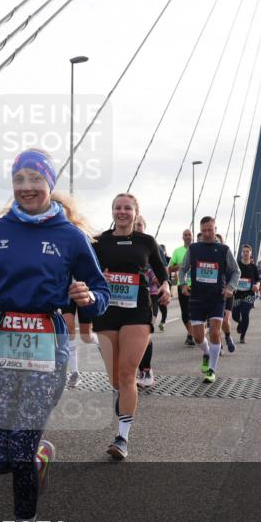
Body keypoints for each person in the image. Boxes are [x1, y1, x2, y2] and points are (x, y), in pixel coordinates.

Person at [0, 149, 108, 522]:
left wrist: (86, 299)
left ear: (49, 184)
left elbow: (100, 293)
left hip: (49, 351)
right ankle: (40, 455)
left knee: (21, 449)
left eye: (35, 178)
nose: (26, 186)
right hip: (4, 349)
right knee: (1, 459)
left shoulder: (70, 237)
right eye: (19, 178)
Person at [90, 194, 170, 459]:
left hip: (138, 310)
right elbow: (87, 270)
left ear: (136, 212)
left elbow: (161, 271)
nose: (122, 212)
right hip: (107, 311)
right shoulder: (100, 241)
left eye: (128, 208)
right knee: (115, 378)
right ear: (112, 211)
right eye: (117, 207)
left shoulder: (146, 241)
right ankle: (123, 395)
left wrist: (166, 287)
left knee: (127, 373)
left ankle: (122, 437)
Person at [183, 217, 240, 384]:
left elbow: (236, 271)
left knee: (215, 332)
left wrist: (230, 287)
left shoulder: (223, 249)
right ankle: (206, 352)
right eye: (204, 230)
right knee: (198, 337)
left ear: (215, 229)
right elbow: (183, 269)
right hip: (197, 298)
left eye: (210, 230)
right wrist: (183, 284)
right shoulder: (194, 249)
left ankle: (212, 370)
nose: (207, 233)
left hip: (217, 298)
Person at [134, 215, 159, 387]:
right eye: (135, 225)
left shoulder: (150, 245)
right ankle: (133, 369)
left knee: (145, 333)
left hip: (151, 295)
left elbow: (162, 269)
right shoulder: (124, 246)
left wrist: (162, 281)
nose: (137, 227)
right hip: (129, 297)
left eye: (140, 224)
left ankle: (146, 370)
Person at [167, 228, 195, 346]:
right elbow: (170, 268)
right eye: (185, 235)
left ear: (192, 237)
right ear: (182, 237)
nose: (188, 237)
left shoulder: (197, 249)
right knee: (185, 313)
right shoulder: (177, 251)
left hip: (196, 285)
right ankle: (191, 334)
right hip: (182, 285)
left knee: (195, 311)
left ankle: (191, 335)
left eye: (189, 235)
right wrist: (181, 266)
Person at [233, 245, 260, 343]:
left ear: (250, 253)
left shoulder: (253, 267)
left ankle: (243, 336)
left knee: (245, 313)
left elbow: (258, 280)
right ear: (241, 253)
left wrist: (257, 285)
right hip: (237, 293)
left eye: (247, 251)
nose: (245, 253)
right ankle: (240, 322)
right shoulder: (236, 265)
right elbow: (231, 277)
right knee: (235, 316)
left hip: (249, 294)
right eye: (244, 251)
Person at [215, 234, 236, 353]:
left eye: (218, 241)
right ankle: (219, 346)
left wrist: (231, 287)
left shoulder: (227, 257)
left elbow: (236, 272)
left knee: (224, 319)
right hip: (213, 294)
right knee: (215, 323)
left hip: (227, 293)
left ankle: (228, 336)